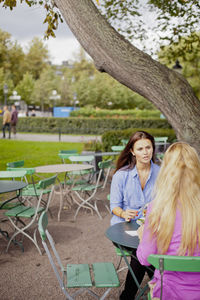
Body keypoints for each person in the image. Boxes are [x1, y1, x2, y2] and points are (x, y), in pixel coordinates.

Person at [137, 142, 200, 300]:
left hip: (168, 292)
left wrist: (142, 235)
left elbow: (145, 258)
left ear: (166, 172)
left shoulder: (157, 209)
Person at [110, 130, 160, 300]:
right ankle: (161, 284)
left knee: (142, 253)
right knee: (142, 252)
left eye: (148, 147)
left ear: (153, 148)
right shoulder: (121, 175)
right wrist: (124, 213)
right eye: (140, 149)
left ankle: (128, 295)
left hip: (152, 227)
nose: (145, 152)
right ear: (132, 151)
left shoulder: (162, 173)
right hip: (124, 228)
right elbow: (114, 206)